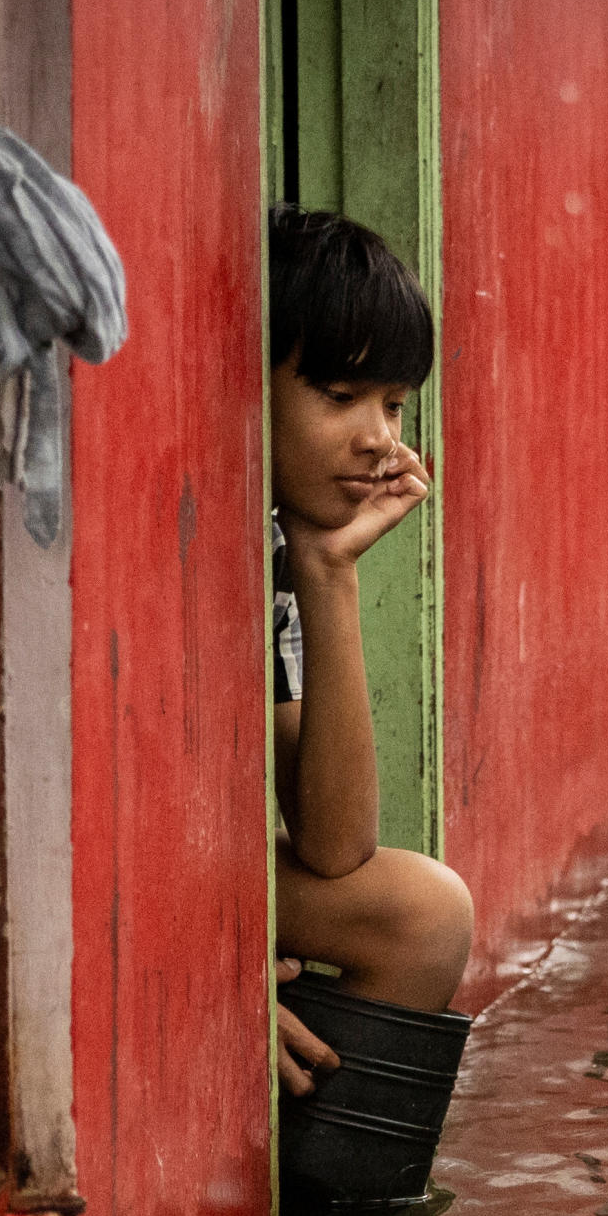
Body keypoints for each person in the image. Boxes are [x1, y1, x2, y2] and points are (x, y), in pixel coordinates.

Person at [264, 205, 475, 1099]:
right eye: (339, 396)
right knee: (426, 912)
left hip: (199, 872)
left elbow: (335, 845)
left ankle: (338, 1201)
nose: (380, 438)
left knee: (421, 917)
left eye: (392, 403)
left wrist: (326, 566)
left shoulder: (281, 543)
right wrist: (208, 955)